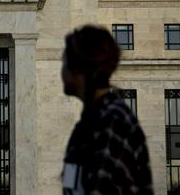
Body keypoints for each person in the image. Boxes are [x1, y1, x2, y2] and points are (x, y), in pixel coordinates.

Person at [61, 25, 153, 195]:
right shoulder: (91, 121)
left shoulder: (112, 121)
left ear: (81, 68)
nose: (62, 70)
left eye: (65, 62)